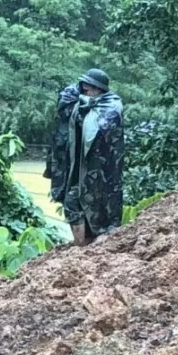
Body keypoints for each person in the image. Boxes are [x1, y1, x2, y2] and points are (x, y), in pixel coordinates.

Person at [46, 68, 124, 246]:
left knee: (77, 202)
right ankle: (83, 243)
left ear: (98, 89)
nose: (83, 91)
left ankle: (82, 246)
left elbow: (104, 129)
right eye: (82, 87)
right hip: (78, 167)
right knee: (74, 202)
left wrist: (86, 108)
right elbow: (66, 98)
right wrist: (83, 100)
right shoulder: (80, 103)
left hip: (100, 171)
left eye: (87, 89)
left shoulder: (111, 106)